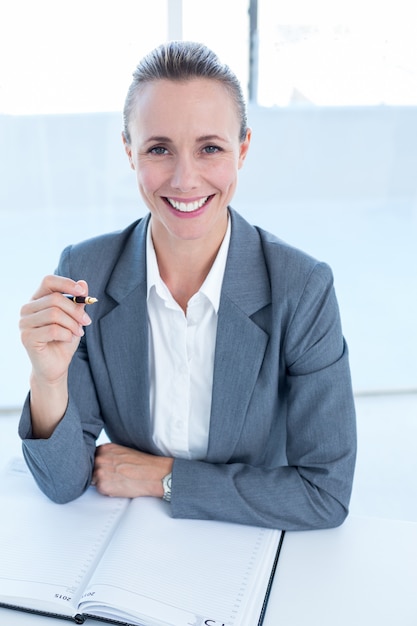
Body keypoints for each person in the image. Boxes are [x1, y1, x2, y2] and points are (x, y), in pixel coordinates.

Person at [19, 41, 356, 531]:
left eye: (210, 148)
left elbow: (324, 493)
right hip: (131, 541)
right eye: (159, 149)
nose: (185, 179)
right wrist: (47, 379)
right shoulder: (85, 270)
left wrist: (166, 478)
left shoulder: (302, 289)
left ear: (242, 149)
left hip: (246, 542)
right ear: (128, 150)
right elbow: (63, 482)